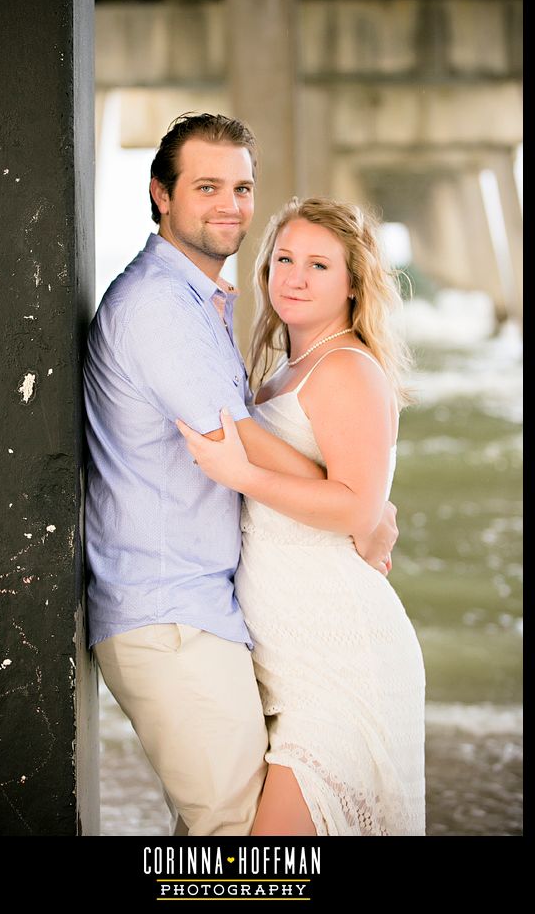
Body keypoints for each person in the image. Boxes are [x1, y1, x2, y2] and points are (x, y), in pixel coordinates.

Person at [83, 113, 399, 837]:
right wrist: (365, 506)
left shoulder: (202, 303)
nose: (230, 203)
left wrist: (360, 499)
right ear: (161, 194)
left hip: (209, 613)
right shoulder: (162, 305)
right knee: (238, 846)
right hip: (171, 616)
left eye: (242, 187)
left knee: (231, 838)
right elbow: (240, 441)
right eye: (207, 186)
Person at [177, 196, 426, 836]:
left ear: (351, 284)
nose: (294, 276)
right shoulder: (283, 374)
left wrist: (241, 474)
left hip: (341, 660)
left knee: (257, 872)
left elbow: (356, 505)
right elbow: (354, 496)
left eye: (319, 265)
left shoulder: (347, 368)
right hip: (289, 663)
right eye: (284, 258)